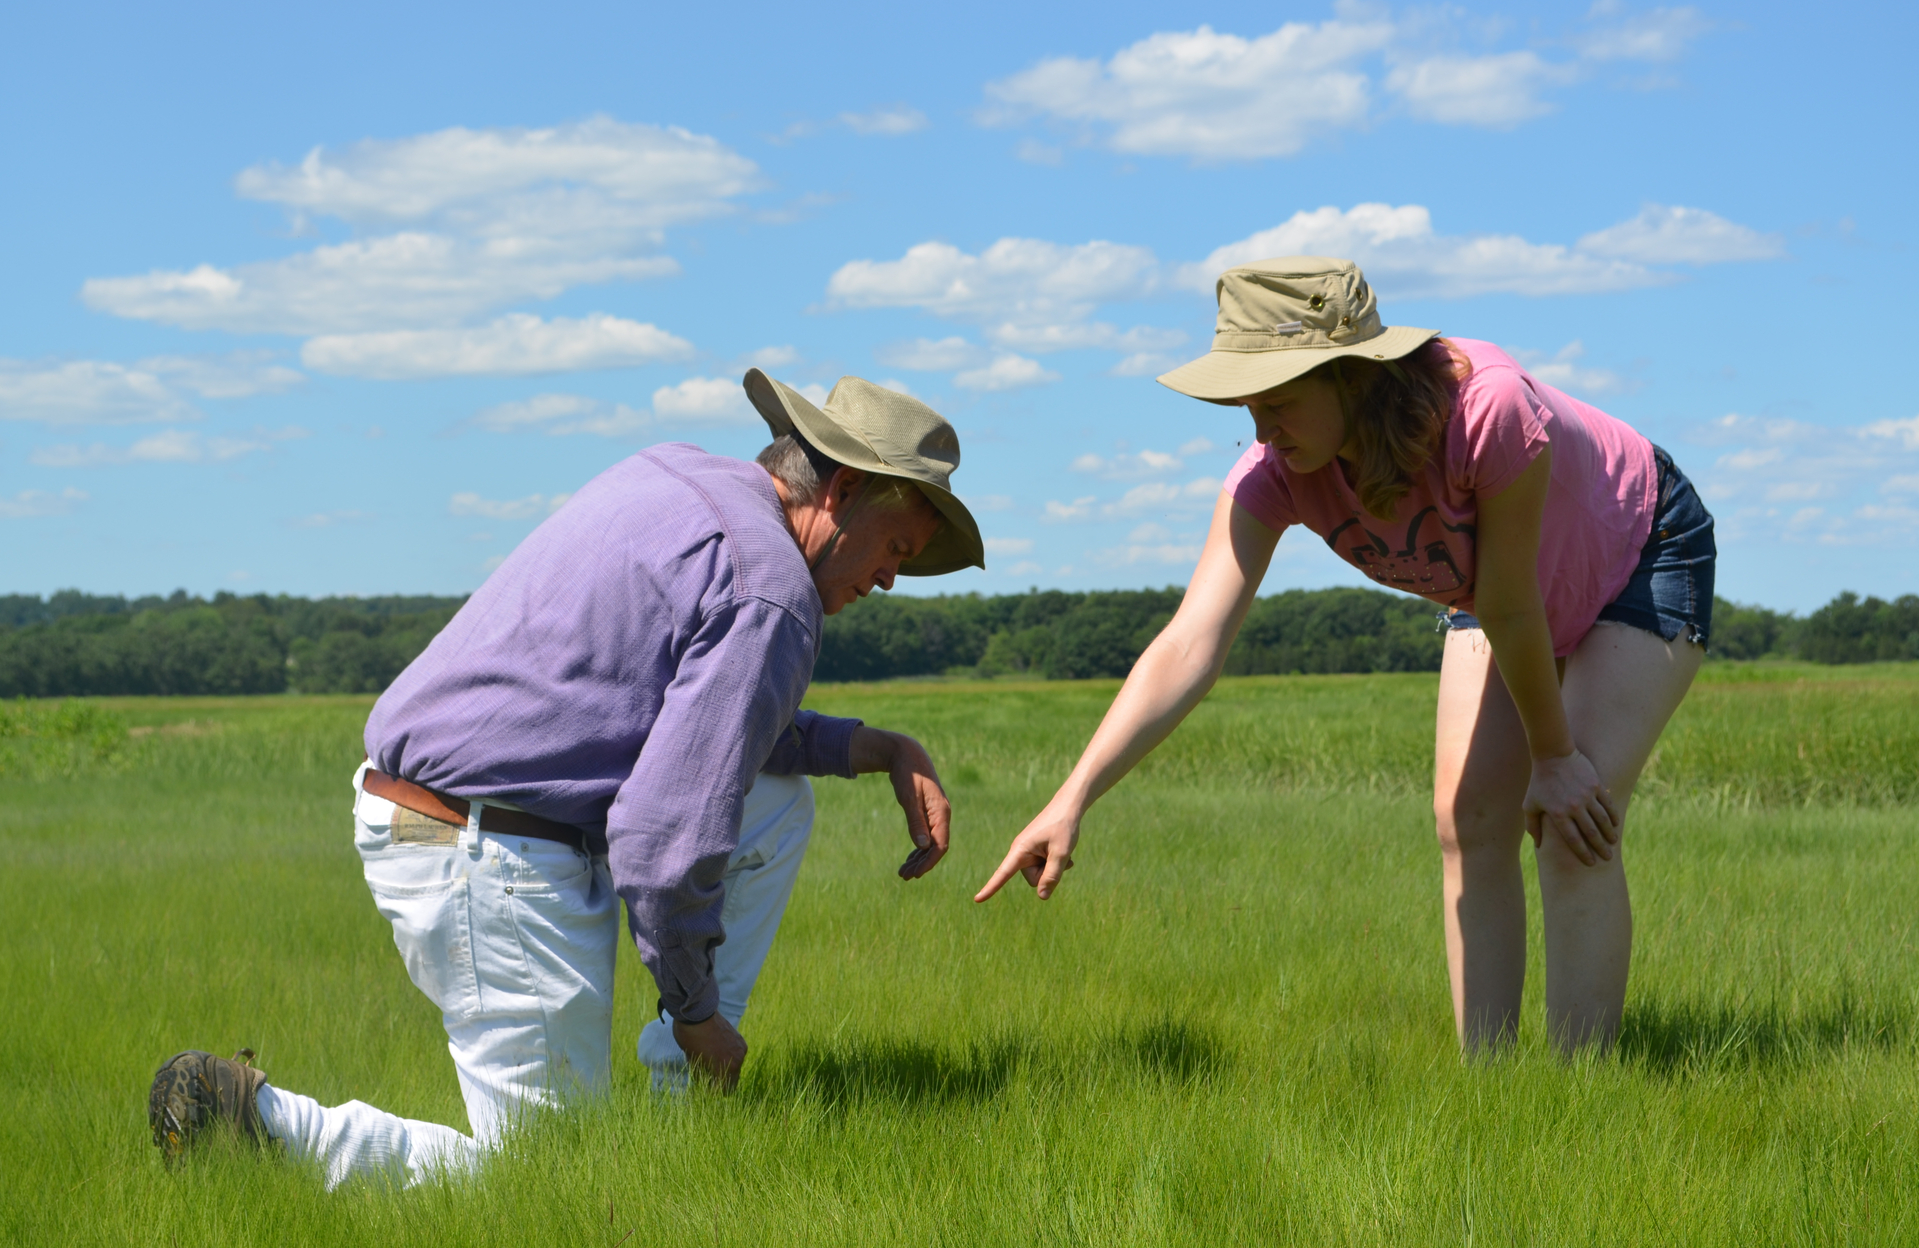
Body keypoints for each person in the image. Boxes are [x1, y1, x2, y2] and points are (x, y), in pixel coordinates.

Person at [148, 370, 986, 1186]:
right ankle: (255, 1120)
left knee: (774, 802)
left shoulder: (677, 477)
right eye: (896, 548)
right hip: (487, 850)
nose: (886, 579)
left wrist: (882, 749)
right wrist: (698, 1018)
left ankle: (681, 1117)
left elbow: (708, 732)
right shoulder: (770, 591)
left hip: (452, 820)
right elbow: (663, 839)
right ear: (838, 492)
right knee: (550, 1181)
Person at [977, 257, 1714, 1055]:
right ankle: (1494, 1095)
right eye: (1246, 405)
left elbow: (1508, 600)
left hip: (1636, 549)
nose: (1260, 429)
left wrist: (1555, 756)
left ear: (1352, 377)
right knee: (1464, 820)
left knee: (1573, 816)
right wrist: (1073, 797)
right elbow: (1190, 640)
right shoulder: (1272, 476)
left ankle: (1580, 1095)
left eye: (1279, 401)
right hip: (1496, 597)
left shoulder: (1486, 409)